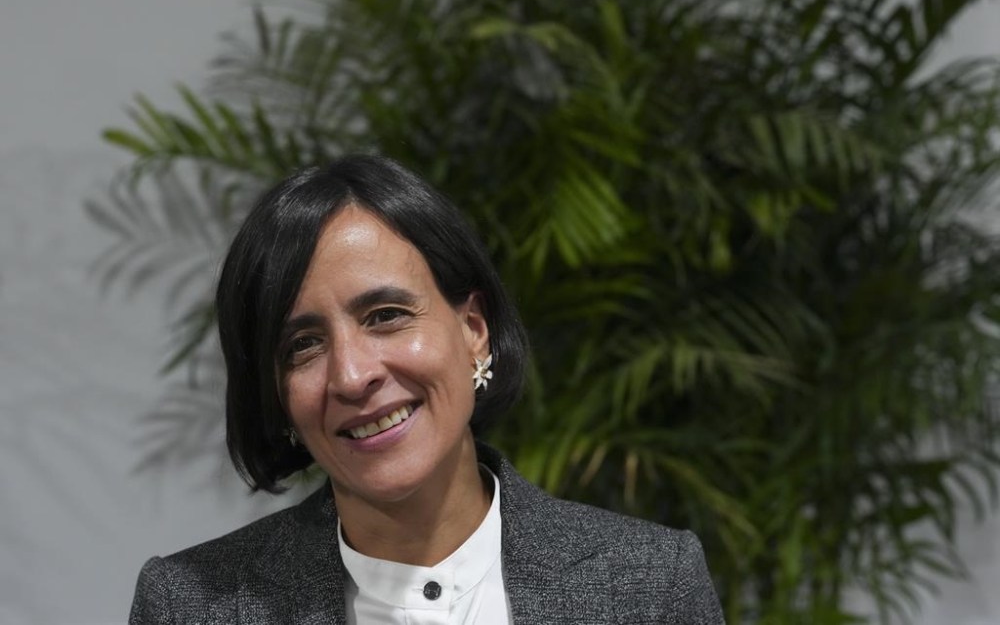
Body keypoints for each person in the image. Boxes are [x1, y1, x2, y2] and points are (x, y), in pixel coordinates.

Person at [129, 154, 725, 624]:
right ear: (277, 394)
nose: (352, 375)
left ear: (474, 332)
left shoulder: (649, 587)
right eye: (302, 346)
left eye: (386, 315)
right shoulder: (192, 608)